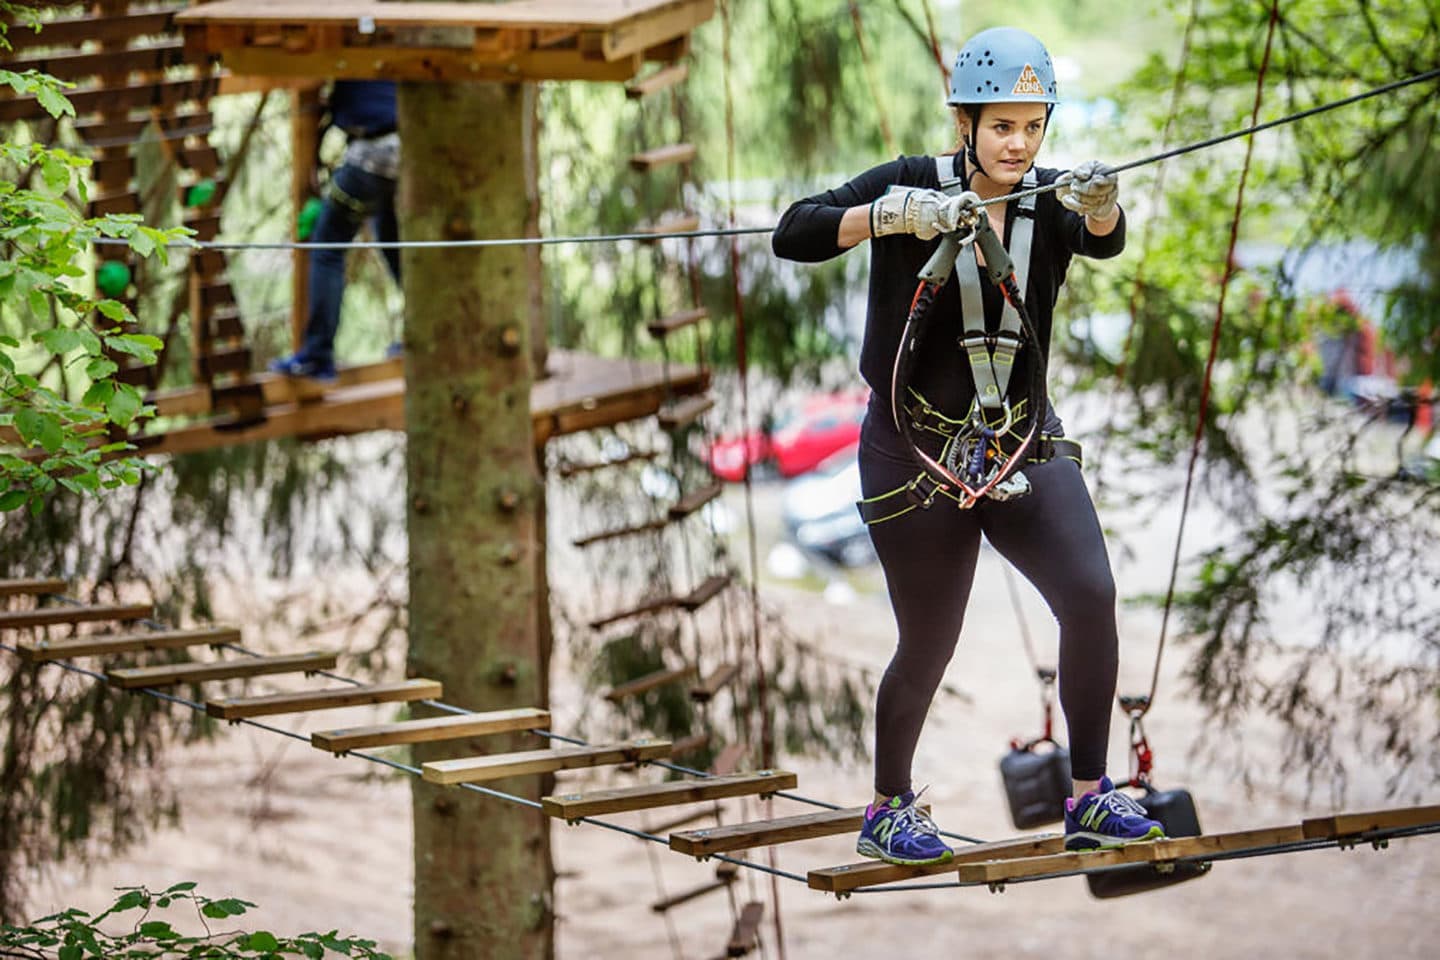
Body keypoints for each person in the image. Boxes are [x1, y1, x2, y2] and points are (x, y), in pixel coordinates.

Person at [772, 26, 1166, 866]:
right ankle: (887, 806)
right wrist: (886, 218)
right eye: (1002, 127)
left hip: (1020, 439)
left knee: (1091, 597)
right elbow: (793, 231)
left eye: (1033, 126)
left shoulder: (1052, 199)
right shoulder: (912, 184)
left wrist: (1101, 206)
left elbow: (1106, 239)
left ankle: (1091, 796)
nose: (1019, 144)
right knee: (929, 641)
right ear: (966, 122)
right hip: (911, 449)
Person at [271, 80, 402, 382]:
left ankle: (317, 356)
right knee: (392, 240)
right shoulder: (384, 58)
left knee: (327, 249)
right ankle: (422, 331)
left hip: (372, 158)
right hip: (402, 156)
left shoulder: (354, 59)